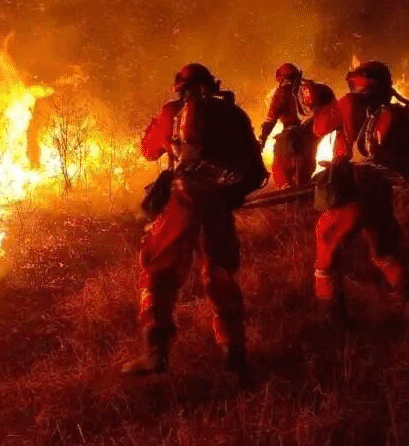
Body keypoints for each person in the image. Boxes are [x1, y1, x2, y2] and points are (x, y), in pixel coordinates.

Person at [123, 63, 265, 376]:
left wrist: (157, 125)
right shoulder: (234, 114)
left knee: (157, 270)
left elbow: (148, 151)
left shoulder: (172, 113)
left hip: (182, 202)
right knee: (219, 276)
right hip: (217, 204)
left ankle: (155, 354)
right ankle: (234, 354)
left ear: (180, 89)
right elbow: (253, 166)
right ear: (212, 85)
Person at [309, 61, 409, 328]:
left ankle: (331, 319)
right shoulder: (390, 110)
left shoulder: (351, 102)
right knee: (385, 252)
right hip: (379, 189)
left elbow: (318, 127)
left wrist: (322, 104)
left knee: (326, 247)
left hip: (352, 187)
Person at [258, 63, 314, 187]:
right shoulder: (304, 90)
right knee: (304, 168)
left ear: (281, 77)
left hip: (290, 136)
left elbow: (270, 120)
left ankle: (286, 189)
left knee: (280, 166)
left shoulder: (281, 93)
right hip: (307, 135)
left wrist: (262, 139)